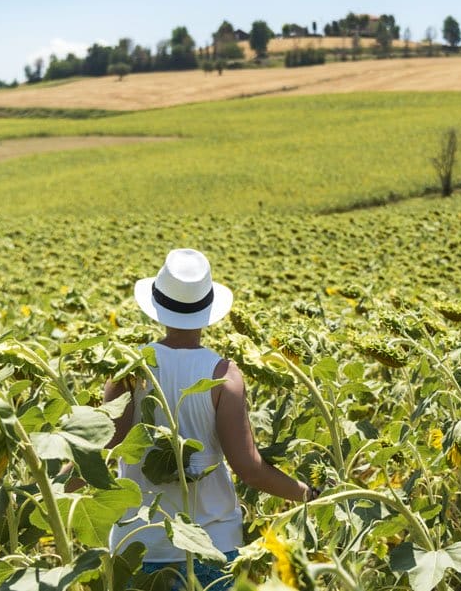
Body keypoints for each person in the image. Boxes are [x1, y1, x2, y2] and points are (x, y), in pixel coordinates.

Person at [105, 248, 320, 588]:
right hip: (211, 548)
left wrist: (51, 492)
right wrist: (309, 494)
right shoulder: (223, 376)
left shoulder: (130, 370)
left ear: (158, 307)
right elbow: (250, 470)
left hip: (138, 547)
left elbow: (103, 451)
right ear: (207, 311)